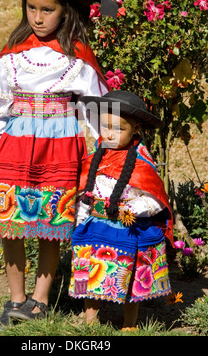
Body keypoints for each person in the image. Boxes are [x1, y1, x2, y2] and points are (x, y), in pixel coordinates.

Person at [0, 0, 118, 330]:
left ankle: (40, 300)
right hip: (14, 149)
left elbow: (94, 112)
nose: (37, 18)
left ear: (65, 11)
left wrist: (103, 155)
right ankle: (15, 299)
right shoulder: (11, 57)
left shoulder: (78, 59)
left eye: (47, 10)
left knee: (51, 222)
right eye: (31, 8)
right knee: (11, 224)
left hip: (60, 148)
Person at [68, 90, 174, 329]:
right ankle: (90, 322)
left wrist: (136, 208)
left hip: (127, 228)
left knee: (129, 274)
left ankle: (130, 323)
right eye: (105, 126)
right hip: (94, 226)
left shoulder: (141, 163)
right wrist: (80, 213)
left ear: (135, 129)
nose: (110, 134)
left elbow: (155, 198)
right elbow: (85, 189)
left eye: (118, 129)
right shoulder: (96, 157)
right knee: (88, 271)